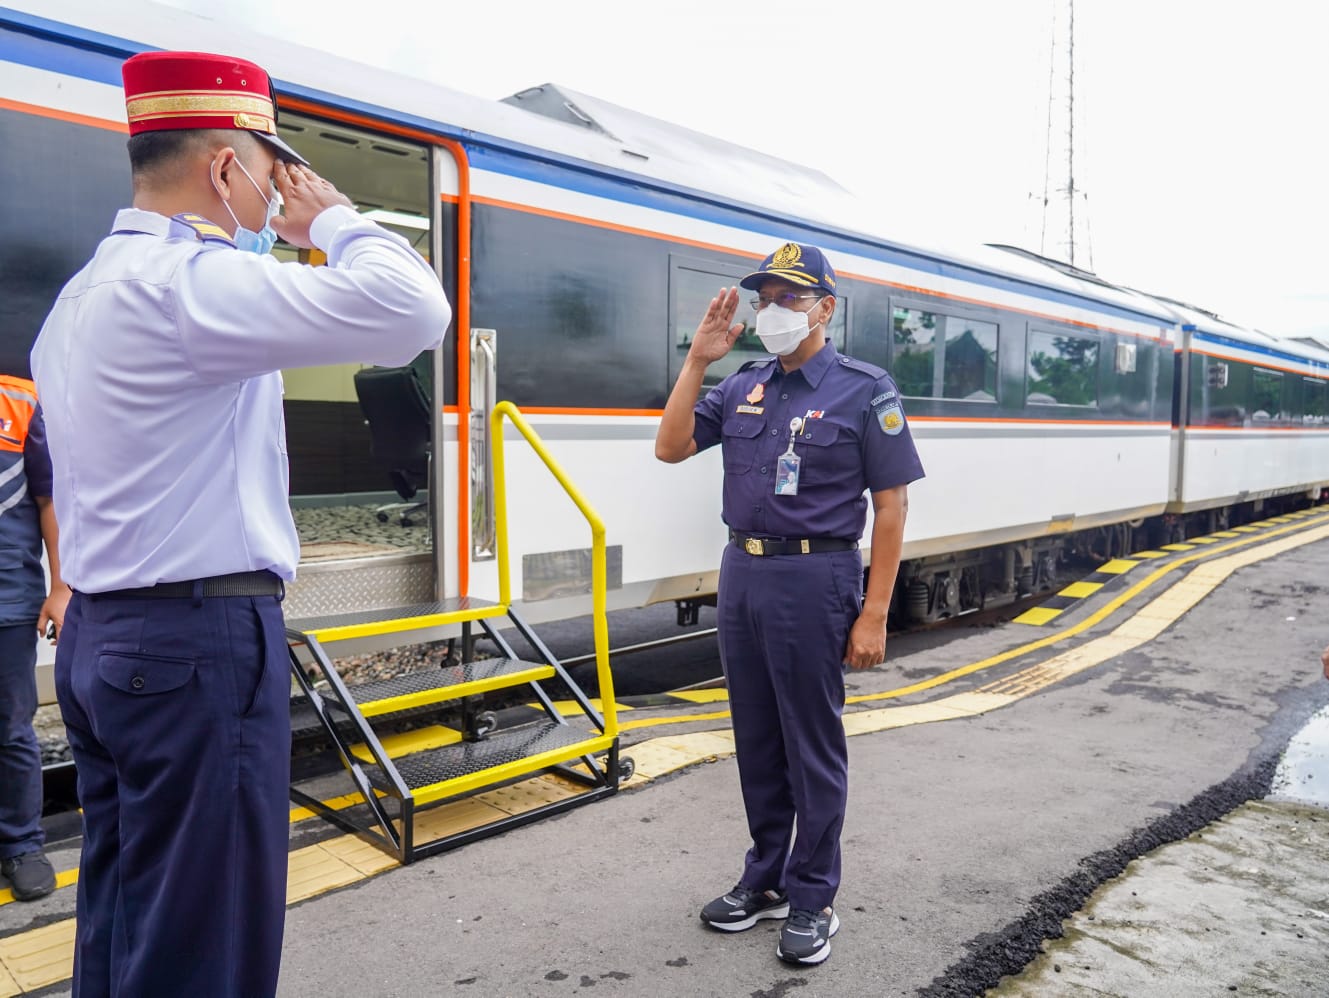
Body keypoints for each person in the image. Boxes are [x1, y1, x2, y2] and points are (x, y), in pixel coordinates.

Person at [29, 51, 450, 997]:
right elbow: (412, 309)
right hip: (193, 641)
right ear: (227, 167)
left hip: (107, 633)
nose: (278, 192)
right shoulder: (189, 283)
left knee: (128, 911)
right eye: (273, 167)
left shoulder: (83, 296)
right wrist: (331, 218)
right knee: (206, 940)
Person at [654, 241, 924, 966]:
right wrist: (695, 361)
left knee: (811, 743)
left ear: (825, 309)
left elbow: (891, 507)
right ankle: (764, 879)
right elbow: (670, 447)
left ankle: (812, 896)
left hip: (816, 576)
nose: (771, 310)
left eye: (789, 298)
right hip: (742, 570)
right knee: (757, 738)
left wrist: (873, 613)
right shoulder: (742, 382)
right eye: (764, 298)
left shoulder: (864, 389)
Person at [0, 376, 67, 903]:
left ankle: (22, 844)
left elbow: (51, 502)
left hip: (6, 599)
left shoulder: (19, 400)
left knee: (10, 728)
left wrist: (61, 587)